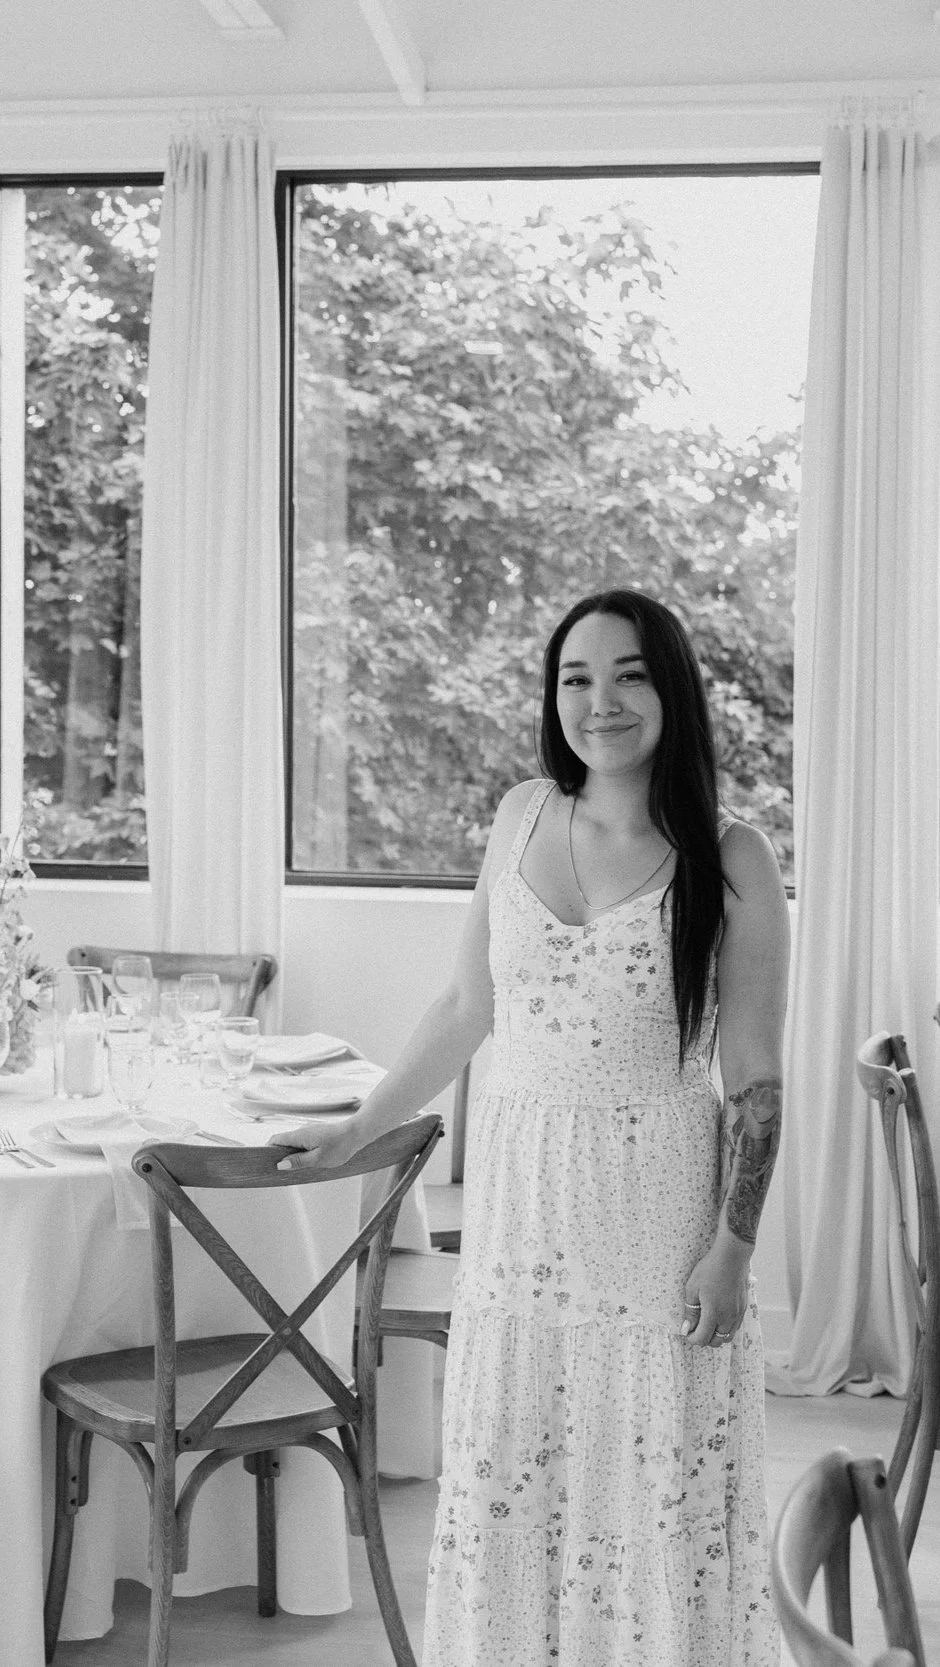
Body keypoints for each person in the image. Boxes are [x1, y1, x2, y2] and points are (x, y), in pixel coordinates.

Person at [270, 587, 788, 1666]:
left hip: (654, 1220)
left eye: (629, 674)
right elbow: (467, 1008)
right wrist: (358, 1134)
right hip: (520, 1218)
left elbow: (755, 1086)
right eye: (575, 678)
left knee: (648, 1491)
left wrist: (733, 1245)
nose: (600, 701)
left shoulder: (733, 858)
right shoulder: (519, 813)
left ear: (672, 690)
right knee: (516, 1479)